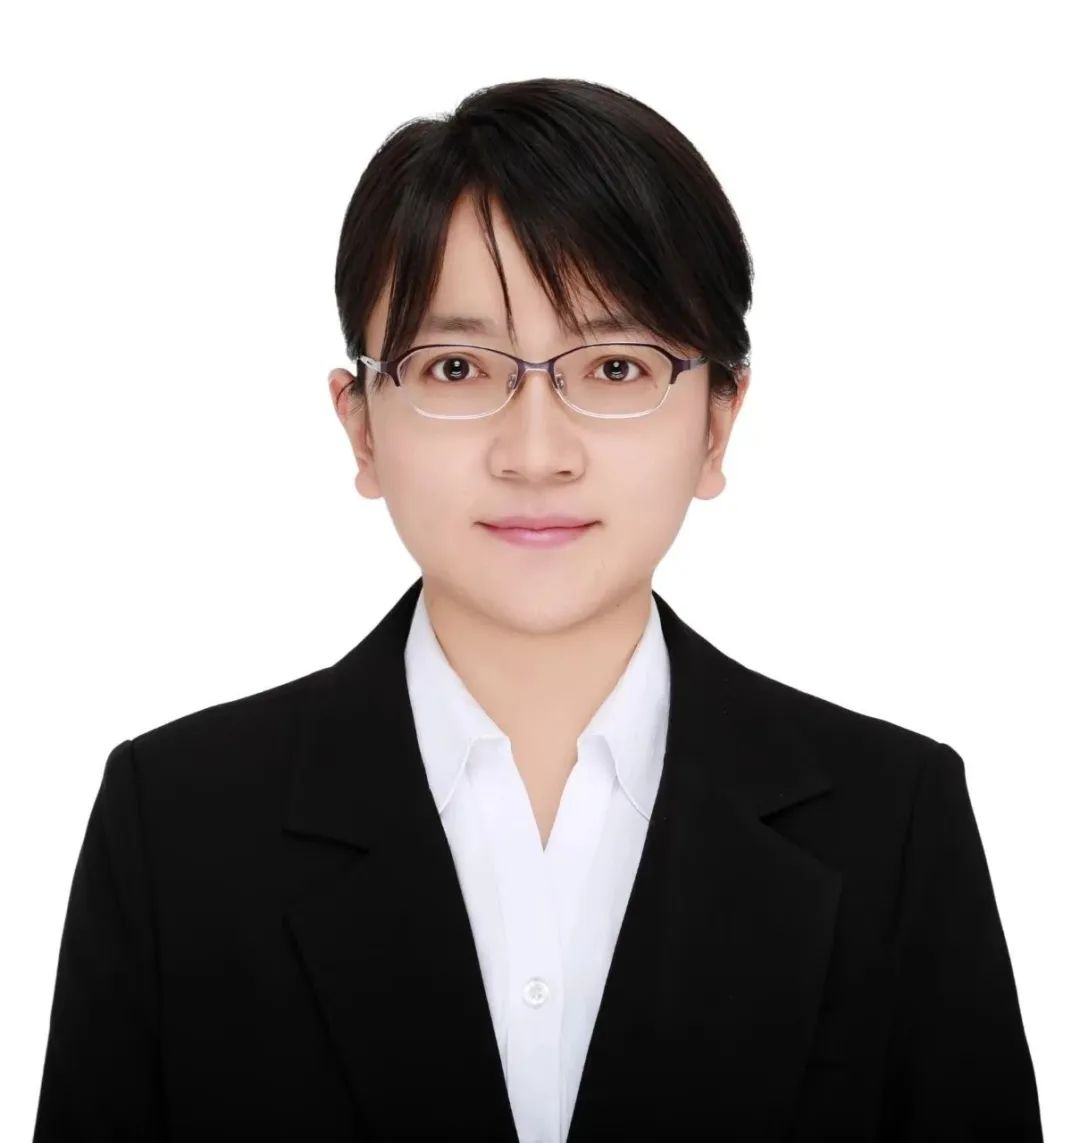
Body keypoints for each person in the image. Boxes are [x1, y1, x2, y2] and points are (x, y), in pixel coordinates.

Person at [33, 77, 1041, 1142]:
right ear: (361, 426)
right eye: (456, 367)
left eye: (616, 366)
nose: (535, 452)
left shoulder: (893, 823)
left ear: (717, 422)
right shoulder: (175, 825)